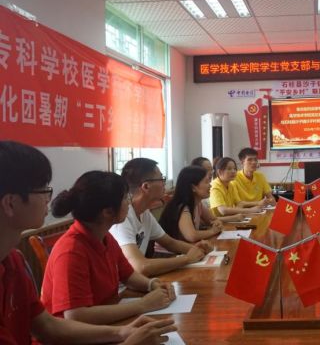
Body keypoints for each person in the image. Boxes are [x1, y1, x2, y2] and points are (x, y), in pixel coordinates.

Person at [0, 140, 176, 344]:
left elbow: (47, 326)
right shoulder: (70, 251)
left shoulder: (13, 260)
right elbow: (73, 316)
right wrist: (138, 313)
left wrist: (122, 333)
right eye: (42, 190)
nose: (48, 198)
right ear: (10, 203)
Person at [41, 171, 176, 324]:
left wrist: (152, 284)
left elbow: (128, 275)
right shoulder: (71, 251)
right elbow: (76, 315)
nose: (129, 203)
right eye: (125, 198)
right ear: (108, 212)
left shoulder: (105, 237)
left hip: (105, 321)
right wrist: (142, 305)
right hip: (77, 333)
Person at [109, 158, 211, 277]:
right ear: (146, 186)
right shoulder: (123, 217)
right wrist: (186, 259)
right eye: (161, 179)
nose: (164, 183)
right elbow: (140, 267)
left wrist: (196, 250)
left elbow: (170, 243)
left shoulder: (144, 213)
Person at [159, 166, 224, 242]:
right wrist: (212, 231)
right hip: (169, 249)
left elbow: (213, 220)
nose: (210, 185)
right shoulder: (182, 207)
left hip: (185, 247)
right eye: (206, 182)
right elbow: (192, 236)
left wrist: (217, 223)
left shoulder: (198, 204)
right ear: (193, 187)